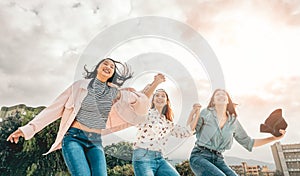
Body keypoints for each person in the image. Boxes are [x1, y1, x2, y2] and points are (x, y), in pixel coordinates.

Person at [7, 58, 165, 176]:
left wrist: (155, 83)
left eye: (112, 67)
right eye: (106, 64)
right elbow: (53, 109)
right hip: (74, 138)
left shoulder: (116, 93)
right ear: (98, 68)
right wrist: (27, 129)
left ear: (112, 74)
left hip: (95, 142)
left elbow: (141, 102)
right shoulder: (79, 86)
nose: (109, 67)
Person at [189, 89, 286, 176]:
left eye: (224, 94)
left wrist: (274, 138)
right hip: (199, 156)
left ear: (228, 101)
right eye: (217, 94)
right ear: (213, 101)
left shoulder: (233, 122)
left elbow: (249, 142)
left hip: (219, 159)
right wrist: (194, 112)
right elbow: (191, 129)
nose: (221, 95)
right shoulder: (205, 113)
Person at [132, 88, 201, 176]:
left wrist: (195, 112)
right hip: (143, 156)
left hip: (160, 159)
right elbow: (135, 117)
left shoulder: (167, 123)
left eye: (163, 96)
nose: (160, 97)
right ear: (153, 100)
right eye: (157, 95)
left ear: (166, 101)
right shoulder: (147, 114)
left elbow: (186, 132)